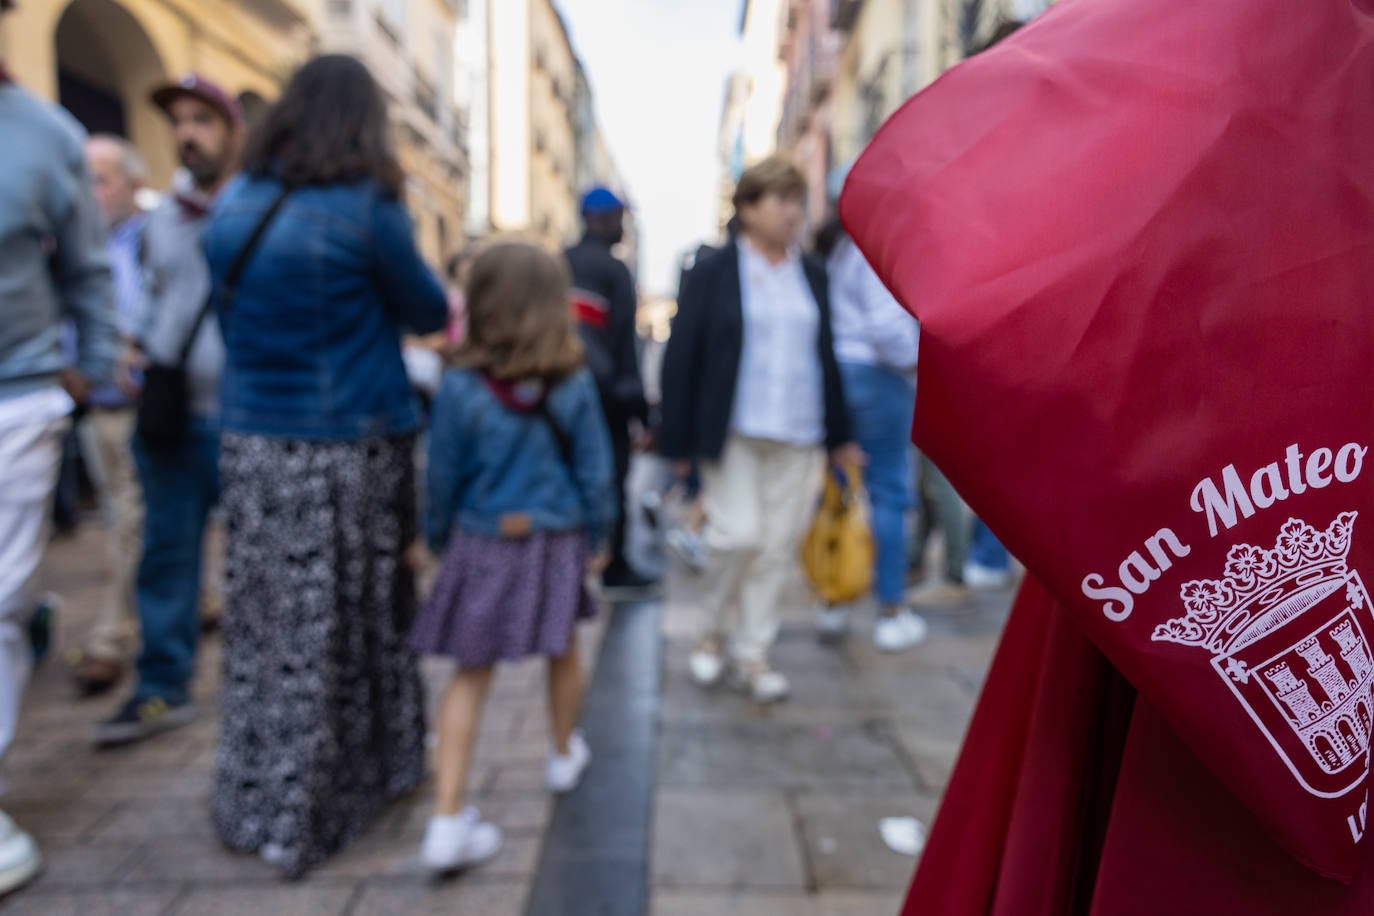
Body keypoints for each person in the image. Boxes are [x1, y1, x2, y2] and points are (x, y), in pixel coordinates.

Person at [204, 54, 446, 877]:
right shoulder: (366, 207)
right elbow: (426, 308)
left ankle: (255, 798)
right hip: (347, 441)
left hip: (251, 442)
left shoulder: (233, 203)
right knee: (350, 624)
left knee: (271, 625)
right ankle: (332, 797)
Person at [410, 241, 614, 873]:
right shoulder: (574, 379)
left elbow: (440, 476)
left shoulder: (460, 386)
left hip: (483, 540)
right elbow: (595, 469)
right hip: (555, 541)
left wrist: (436, 538)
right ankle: (560, 754)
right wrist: (601, 537)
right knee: (562, 648)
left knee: (470, 674)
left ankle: (446, 818)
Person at [659, 155, 858, 703]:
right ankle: (709, 632)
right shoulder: (713, 271)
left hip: (798, 433)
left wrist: (841, 436)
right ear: (747, 208)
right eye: (781, 200)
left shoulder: (813, 273)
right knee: (736, 535)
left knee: (775, 548)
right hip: (735, 432)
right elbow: (683, 356)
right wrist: (674, 442)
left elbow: (827, 357)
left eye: (798, 200)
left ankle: (753, 653)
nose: (793, 212)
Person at [0, 25, 118, 891]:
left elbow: (87, 268)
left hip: (21, 394)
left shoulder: (45, 133)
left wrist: (96, 371)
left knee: (0, 595)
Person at [93, 74, 244, 746]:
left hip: (247, 414)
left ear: (232, 130)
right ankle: (162, 685)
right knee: (166, 553)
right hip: (172, 412)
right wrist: (133, 344)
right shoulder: (164, 219)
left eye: (202, 119)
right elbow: (155, 296)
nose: (187, 132)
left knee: (256, 561)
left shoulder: (257, 208)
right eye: (179, 120)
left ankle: (257, 690)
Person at [812, 168, 926, 652]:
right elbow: (887, 329)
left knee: (842, 489)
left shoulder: (838, 250)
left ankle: (833, 600)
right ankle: (890, 609)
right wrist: (920, 359)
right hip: (880, 379)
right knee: (887, 492)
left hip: (842, 375)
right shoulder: (870, 250)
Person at [65, 135, 150, 696]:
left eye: (103, 178)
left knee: (131, 518)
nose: (92, 191)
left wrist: (136, 349)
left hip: (146, 406)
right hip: (96, 404)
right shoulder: (74, 244)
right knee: (125, 518)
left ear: (131, 184)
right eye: (85, 178)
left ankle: (110, 637)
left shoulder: (149, 240)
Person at [565, 187, 656, 597]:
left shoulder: (561, 262)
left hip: (563, 391)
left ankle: (569, 563)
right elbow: (624, 347)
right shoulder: (615, 271)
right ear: (600, 219)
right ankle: (614, 565)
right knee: (612, 479)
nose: (623, 226)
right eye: (619, 217)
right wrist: (642, 413)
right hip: (607, 399)